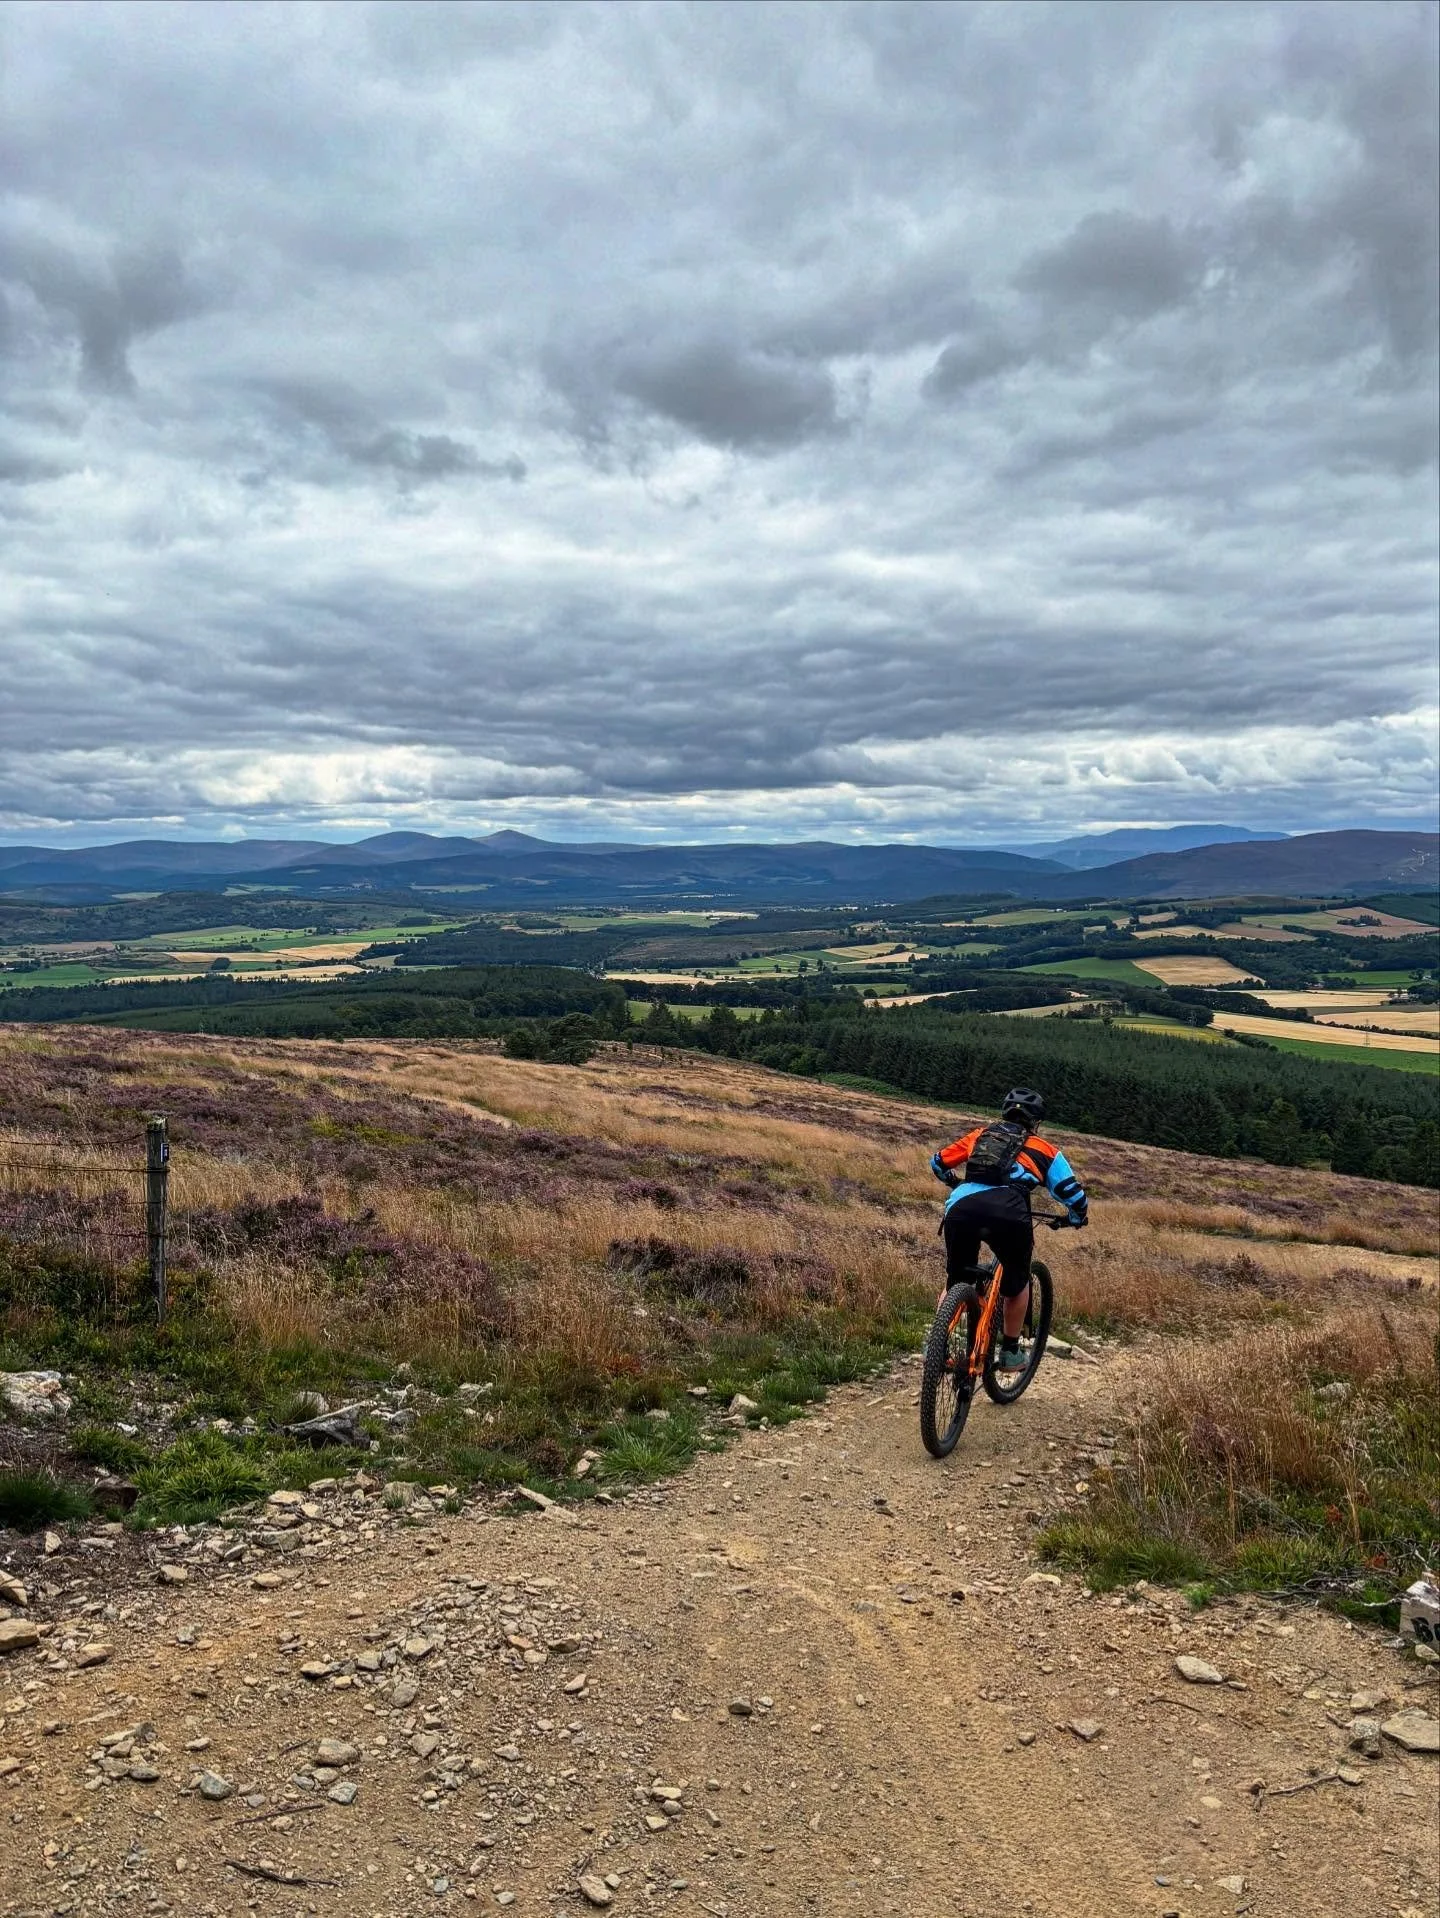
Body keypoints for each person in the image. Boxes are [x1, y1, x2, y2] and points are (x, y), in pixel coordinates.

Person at [930, 1088, 1088, 1372]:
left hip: (961, 1207)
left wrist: (955, 1183)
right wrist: (1075, 1218)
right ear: (1036, 1123)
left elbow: (938, 1162)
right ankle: (1011, 1352)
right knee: (1018, 1282)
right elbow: (1072, 1194)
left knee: (955, 1280)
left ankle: (936, 1346)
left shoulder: (980, 1135)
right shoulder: (1046, 1151)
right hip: (1010, 1214)